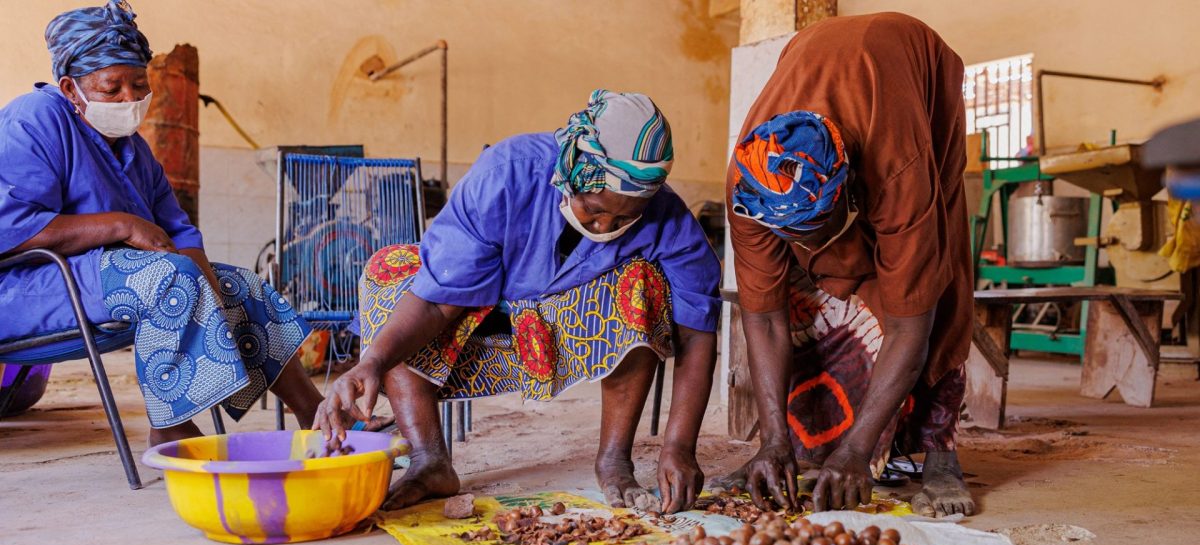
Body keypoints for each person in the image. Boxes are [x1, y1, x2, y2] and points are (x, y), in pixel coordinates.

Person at [316, 90, 722, 514]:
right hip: (478, 324)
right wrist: (372, 364)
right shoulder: (507, 175)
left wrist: (679, 444)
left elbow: (697, 335)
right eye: (594, 208)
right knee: (392, 272)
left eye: (624, 219)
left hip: (568, 337)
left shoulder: (670, 220)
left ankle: (613, 460)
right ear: (573, 171)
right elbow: (438, 301)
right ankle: (428, 458)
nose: (605, 226)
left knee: (642, 282)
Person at [0, 0, 322, 444]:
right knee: (169, 278)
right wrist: (120, 224)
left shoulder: (134, 149)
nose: (129, 99)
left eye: (138, 84)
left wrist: (207, 283)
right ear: (71, 89)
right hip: (31, 288)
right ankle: (170, 430)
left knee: (237, 285)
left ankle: (319, 414)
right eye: (112, 88)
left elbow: (180, 231)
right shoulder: (33, 120)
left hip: (109, 281)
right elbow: (13, 230)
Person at [724, 13, 975, 518]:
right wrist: (772, 440)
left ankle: (938, 451)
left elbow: (911, 324)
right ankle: (796, 448)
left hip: (913, 75)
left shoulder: (898, 170)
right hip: (815, 54)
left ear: (848, 195)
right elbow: (764, 316)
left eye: (811, 234)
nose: (804, 250)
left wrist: (858, 453)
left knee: (933, 275)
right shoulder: (748, 183)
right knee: (796, 296)